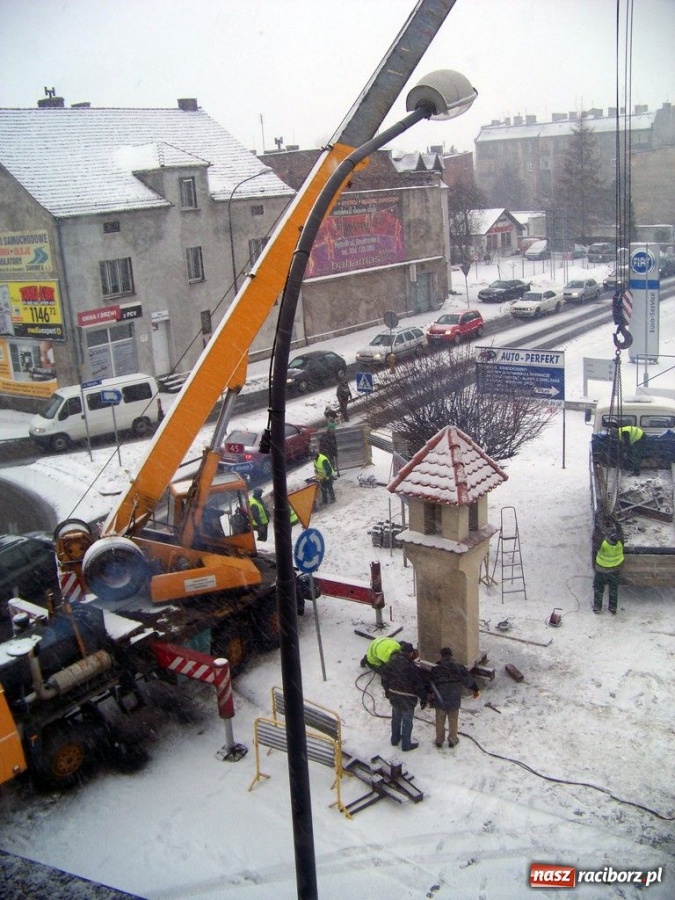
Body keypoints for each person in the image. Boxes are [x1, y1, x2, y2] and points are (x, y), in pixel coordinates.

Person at [380, 641, 428, 752]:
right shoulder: (412, 668)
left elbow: (384, 678)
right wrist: (423, 698)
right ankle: (406, 744)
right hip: (407, 698)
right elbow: (418, 685)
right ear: (410, 654)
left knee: (396, 718)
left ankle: (394, 739)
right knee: (407, 721)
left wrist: (387, 689)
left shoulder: (391, 663)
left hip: (394, 696)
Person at [429, 647, 480, 749]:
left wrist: (429, 694)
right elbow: (468, 680)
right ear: (451, 656)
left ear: (441, 656)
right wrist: (475, 689)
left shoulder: (436, 670)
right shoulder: (459, 668)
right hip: (454, 699)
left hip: (440, 700)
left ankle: (439, 740)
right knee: (453, 721)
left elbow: (430, 683)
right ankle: (452, 739)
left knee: (440, 721)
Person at [592, 519, 625, 614]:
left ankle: (597, 607)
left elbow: (596, 537)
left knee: (598, 589)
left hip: (601, 570)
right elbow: (621, 532)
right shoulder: (620, 543)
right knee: (613, 590)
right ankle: (613, 608)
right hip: (614, 570)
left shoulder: (603, 543)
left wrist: (599, 524)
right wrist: (616, 522)